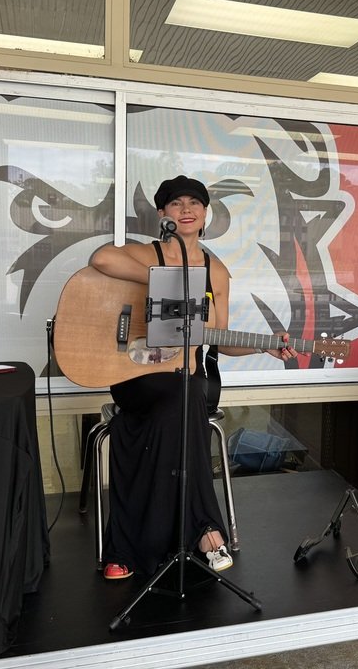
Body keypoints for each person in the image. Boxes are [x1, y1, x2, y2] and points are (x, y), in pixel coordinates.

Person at [89, 174, 299, 580]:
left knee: (184, 395)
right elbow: (100, 259)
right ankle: (205, 528)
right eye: (176, 203)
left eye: (194, 203)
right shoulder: (145, 253)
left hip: (184, 377)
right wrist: (162, 281)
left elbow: (217, 336)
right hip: (137, 376)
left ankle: (129, 547)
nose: (186, 209)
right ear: (162, 214)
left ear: (205, 215)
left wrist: (263, 344)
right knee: (182, 400)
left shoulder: (216, 271)